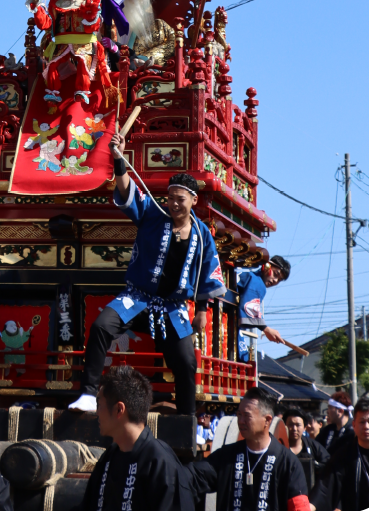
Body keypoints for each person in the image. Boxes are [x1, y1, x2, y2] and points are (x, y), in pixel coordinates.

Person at [69, 130, 226, 415]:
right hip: (137, 298)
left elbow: (208, 273)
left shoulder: (203, 235)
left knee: (186, 363)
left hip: (173, 307)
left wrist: (202, 309)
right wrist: (119, 159)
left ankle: (187, 419)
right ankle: (88, 395)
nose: (174, 204)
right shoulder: (152, 214)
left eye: (180, 199)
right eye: (170, 198)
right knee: (101, 326)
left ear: (193, 200)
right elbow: (128, 190)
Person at [80, 366, 188, 511]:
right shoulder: (109, 458)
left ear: (119, 409)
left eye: (99, 405)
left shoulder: (160, 463)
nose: (96, 412)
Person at [186, 386, 309, 511]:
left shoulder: (288, 463)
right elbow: (194, 477)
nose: (241, 421)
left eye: (247, 416)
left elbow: (299, 506)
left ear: (267, 420)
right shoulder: (226, 456)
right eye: (239, 414)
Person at [235, 257, 291, 361]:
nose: (275, 280)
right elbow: (250, 307)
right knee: (243, 361)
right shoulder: (257, 282)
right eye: (275, 274)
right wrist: (266, 329)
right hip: (227, 325)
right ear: (267, 266)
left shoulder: (250, 277)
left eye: (279, 280)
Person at [282, 409, 328, 491]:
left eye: (298, 425)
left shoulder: (313, 446)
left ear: (305, 427)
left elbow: (328, 464)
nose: (294, 428)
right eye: (290, 424)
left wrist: (315, 466)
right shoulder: (279, 446)